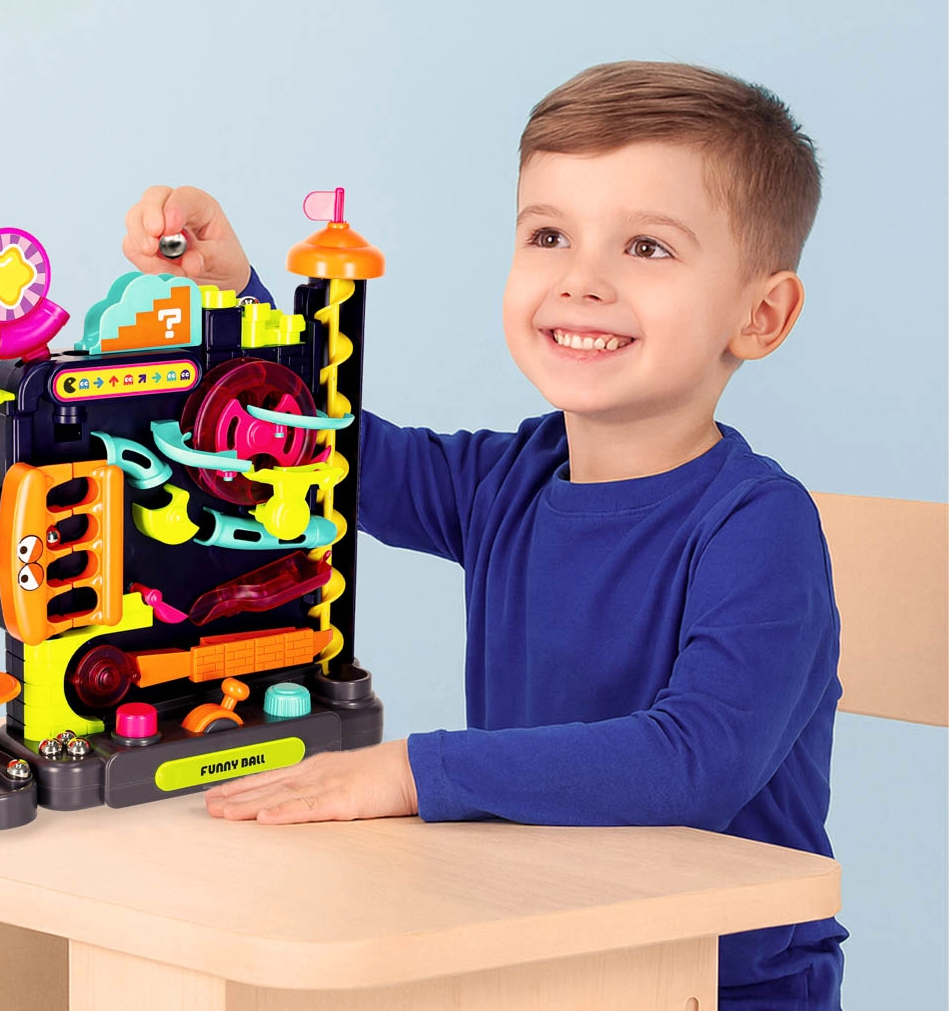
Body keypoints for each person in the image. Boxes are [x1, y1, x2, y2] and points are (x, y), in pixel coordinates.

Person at [122, 61, 847, 1008]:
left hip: (714, 983)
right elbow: (317, 445)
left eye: (647, 247)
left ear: (761, 315)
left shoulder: (761, 526)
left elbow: (694, 761)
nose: (581, 281)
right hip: (523, 947)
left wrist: (414, 771)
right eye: (549, 235)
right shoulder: (507, 479)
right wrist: (234, 293)